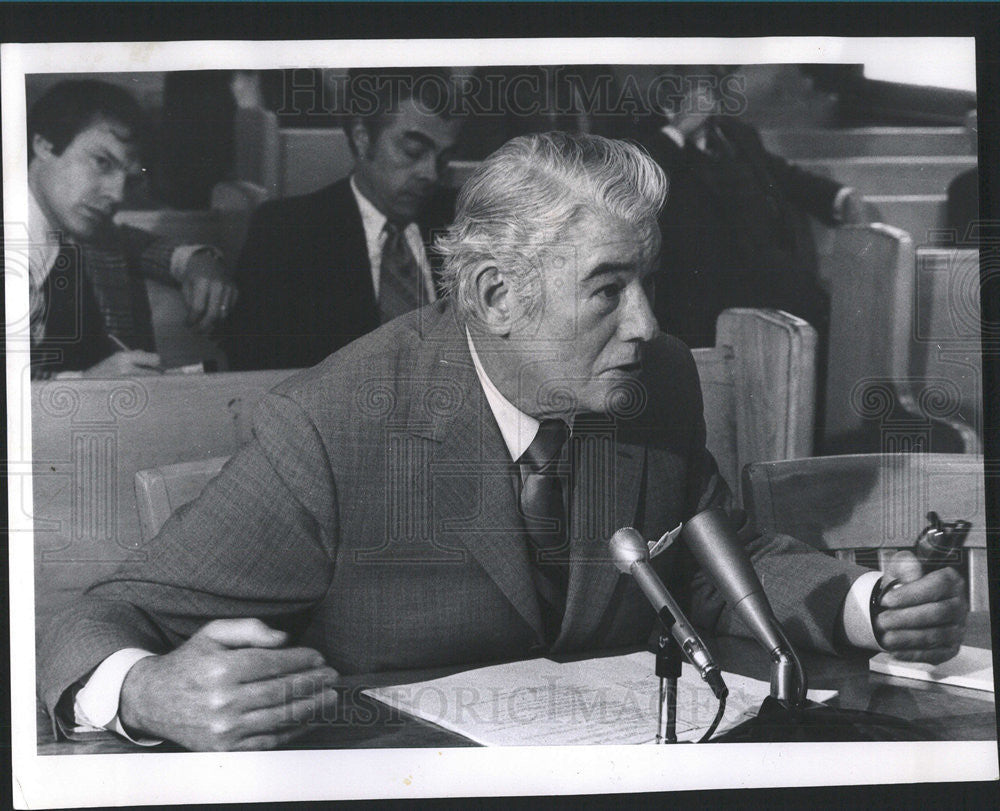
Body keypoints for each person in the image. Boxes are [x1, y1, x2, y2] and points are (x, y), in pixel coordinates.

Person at [38, 133, 967, 752]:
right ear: (492, 295)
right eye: (609, 288)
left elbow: (715, 549)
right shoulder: (334, 424)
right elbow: (101, 618)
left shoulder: (656, 383)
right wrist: (146, 691)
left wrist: (863, 603)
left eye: (645, 280)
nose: (646, 322)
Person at [222, 67, 461, 370]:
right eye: (413, 151)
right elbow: (255, 368)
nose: (431, 173)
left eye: (443, 157)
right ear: (362, 139)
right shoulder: (287, 232)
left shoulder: (464, 221)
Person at [625, 66, 868, 349]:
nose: (709, 91)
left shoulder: (736, 133)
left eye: (714, 82)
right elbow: (637, 187)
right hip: (700, 286)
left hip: (768, 271)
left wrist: (840, 197)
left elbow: (783, 175)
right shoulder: (643, 136)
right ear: (668, 85)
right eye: (699, 80)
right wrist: (678, 131)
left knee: (821, 310)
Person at [27, 79, 238, 379]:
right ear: (44, 145)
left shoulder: (76, 225)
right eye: (102, 162)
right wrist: (85, 386)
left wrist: (198, 261)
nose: (117, 194)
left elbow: (131, 242)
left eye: (127, 177)